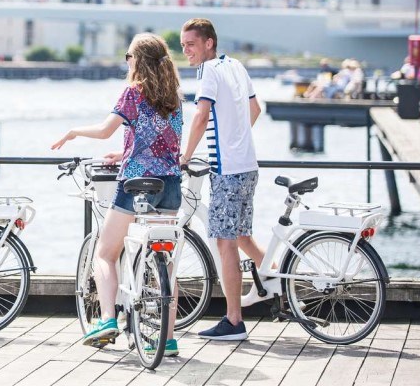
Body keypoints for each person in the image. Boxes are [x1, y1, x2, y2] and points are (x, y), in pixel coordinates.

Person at [52, 32, 184, 356]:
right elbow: (162, 144)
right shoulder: (175, 96)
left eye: (129, 56)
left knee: (105, 253)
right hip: (170, 184)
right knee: (165, 263)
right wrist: (123, 153)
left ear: (136, 61)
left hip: (137, 183)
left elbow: (105, 129)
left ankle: (108, 319)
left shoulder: (133, 93)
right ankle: (167, 340)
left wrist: (73, 132)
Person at [179, 18, 263, 341]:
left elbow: (200, 116)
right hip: (248, 166)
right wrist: (237, 138)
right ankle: (276, 280)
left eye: (191, 44)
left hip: (227, 171)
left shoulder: (209, 72)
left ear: (208, 43)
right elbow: (255, 109)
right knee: (241, 235)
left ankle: (233, 321)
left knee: (225, 243)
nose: (186, 50)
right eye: (184, 45)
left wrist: (185, 156)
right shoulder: (237, 66)